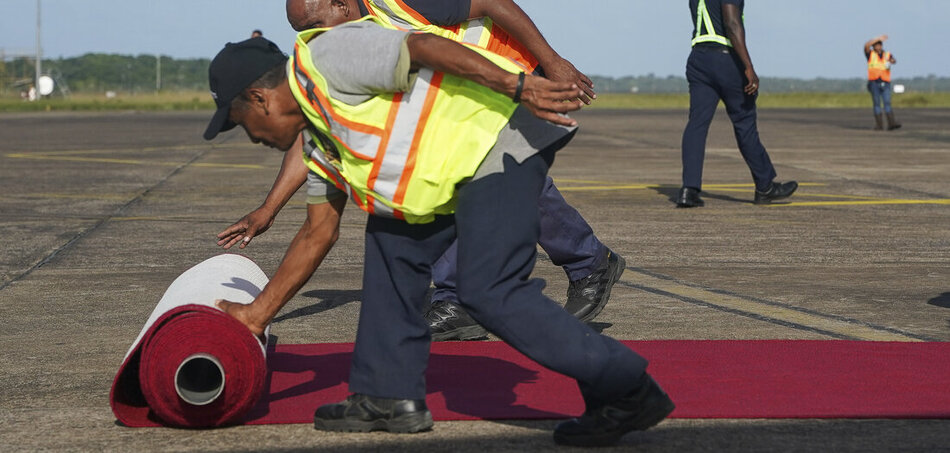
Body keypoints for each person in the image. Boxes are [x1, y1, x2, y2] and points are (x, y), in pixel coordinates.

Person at [206, 21, 673, 446]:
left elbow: (424, 45)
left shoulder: (328, 56)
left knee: (489, 289)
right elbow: (317, 233)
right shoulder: (320, 140)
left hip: (496, 146)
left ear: (258, 98)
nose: (251, 138)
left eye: (240, 124)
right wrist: (255, 315)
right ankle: (386, 397)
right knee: (390, 247)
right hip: (451, 177)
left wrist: (519, 84)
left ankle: (628, 388)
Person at [217, 0, 626, 341]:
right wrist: (269, 208)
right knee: (430, 182)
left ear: (341, 4)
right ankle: (455, 299)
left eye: (313, 25)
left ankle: (590, 263)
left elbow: (487, 3)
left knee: (502, 178)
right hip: (456, 89)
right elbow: (314, 126)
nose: (309, 38)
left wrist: (549, 62)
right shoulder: (342, 49)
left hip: (500, 73)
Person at [676, 0, 797, 208]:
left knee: (697, 124)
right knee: (744, 122)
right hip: (726, 60)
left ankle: (689, 189)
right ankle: (765, 186)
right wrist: (748, 66)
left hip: (698, 59)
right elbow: (731, 23)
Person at [864, 34, 901, 131]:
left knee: (887, 103)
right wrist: (877, 38)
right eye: (875, 45)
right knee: (877, 104)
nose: (877, 47)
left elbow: (894, 60)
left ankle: (891, 123)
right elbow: (866, 46)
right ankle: (879, 125)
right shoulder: (870, 54)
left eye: (879, 45)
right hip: (874, 82)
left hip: (885, 81)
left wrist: (892, 61)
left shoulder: (887, 54)